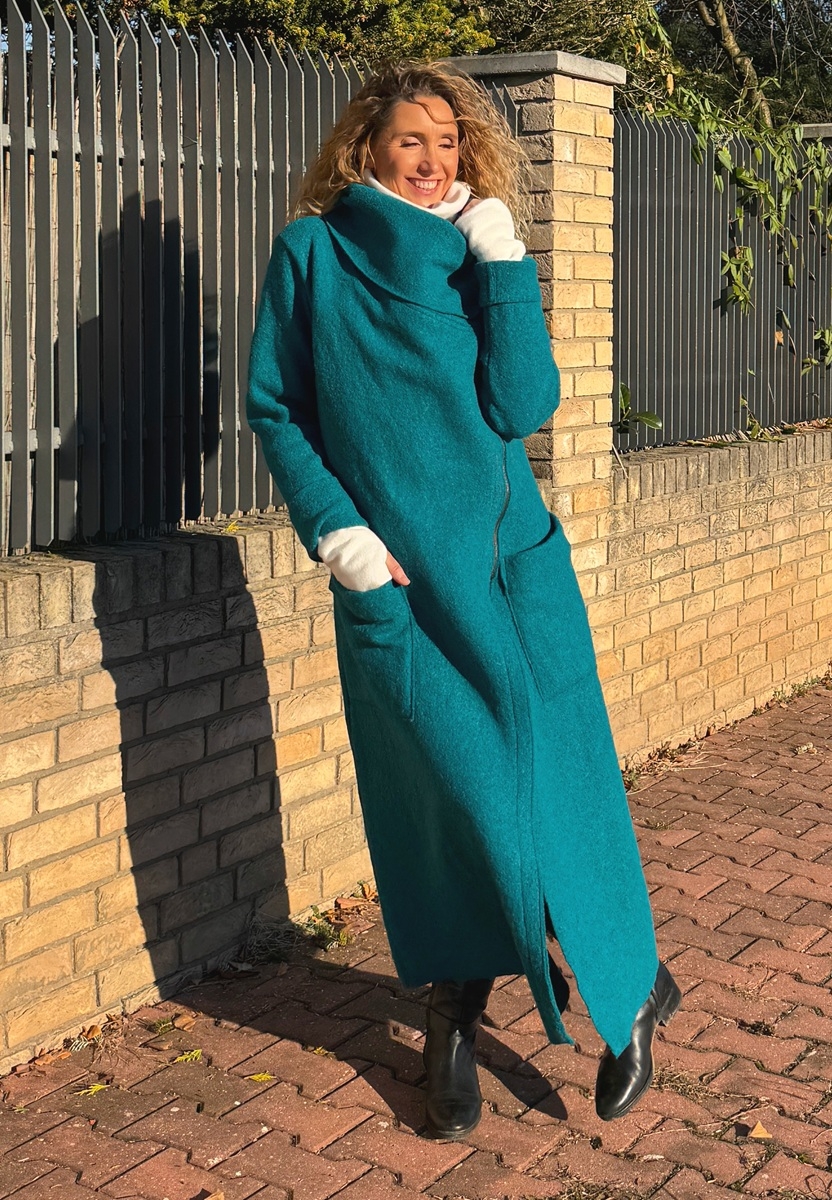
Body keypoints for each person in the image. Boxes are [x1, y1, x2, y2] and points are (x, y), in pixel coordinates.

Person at [246, 60, 681, 1141]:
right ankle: (453, 1016)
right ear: (366, 147)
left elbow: (523, 405)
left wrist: (504, 263)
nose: (433, 160)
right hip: (394, 582)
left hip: (509, 571)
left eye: (449, 142)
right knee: (447, 805)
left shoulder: (477, 253)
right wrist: (338, 534)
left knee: (553, 789)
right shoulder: (312, 253)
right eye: (412, 140)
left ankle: (627, 988)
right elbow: (277, 407)